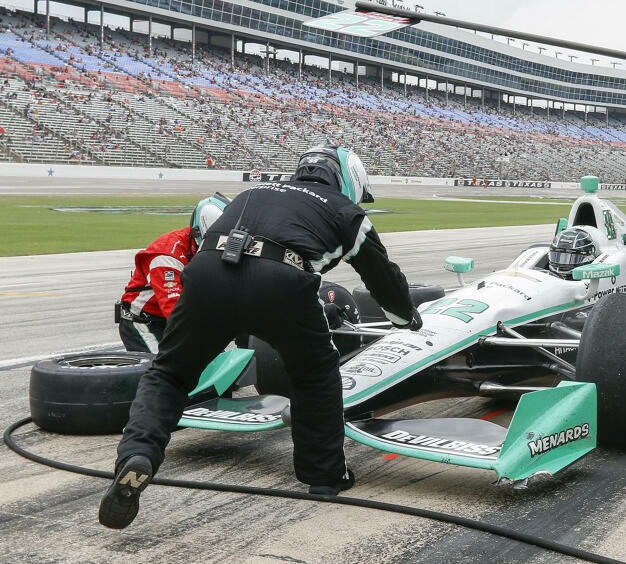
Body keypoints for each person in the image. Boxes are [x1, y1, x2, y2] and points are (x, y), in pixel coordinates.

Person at [99, 145, 421, 530]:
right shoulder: (345, 211)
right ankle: (325, 477)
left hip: (208, 273)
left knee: (169, 374)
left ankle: (138, 457)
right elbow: (383, 278)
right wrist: (406, 319)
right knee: (315, 375)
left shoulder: (253, 193)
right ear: (348, 179)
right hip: (282, 278)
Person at [116, 195, 228, 353]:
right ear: (200, 234)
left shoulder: (208, 249)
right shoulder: (167, 255)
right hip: (143, 322)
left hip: (177, 319)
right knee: (161, 371)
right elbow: (174, 308)